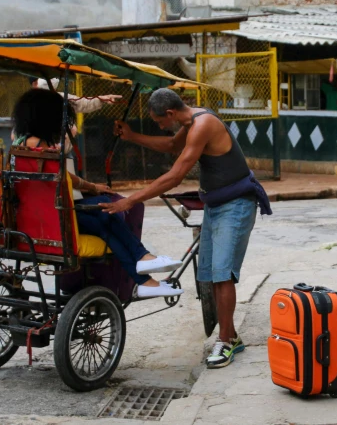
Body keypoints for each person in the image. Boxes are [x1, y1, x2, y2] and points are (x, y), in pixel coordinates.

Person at [100, 88, 272, 369]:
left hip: (236, 204)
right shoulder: (190, 120)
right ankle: (229, 334)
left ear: (169, 113)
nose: (159, 125)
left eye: (158, 121)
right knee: (209, 275)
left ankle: (226, 341)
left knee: (222, 274)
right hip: (216, 206)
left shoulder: (203, 123)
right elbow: (171, 146)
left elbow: (176, 175)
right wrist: (131, 137)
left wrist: (130, 200)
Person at [11, 88, 183, 298]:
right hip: (54, 219)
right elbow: (65, 178)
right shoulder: (42, 146)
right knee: (105, 213)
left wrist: (92, 187)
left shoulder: (19, 142)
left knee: (105, 226)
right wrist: (93, 188)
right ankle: (143, 262)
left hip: (34, 217)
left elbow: (63, 178)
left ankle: (146, 278)